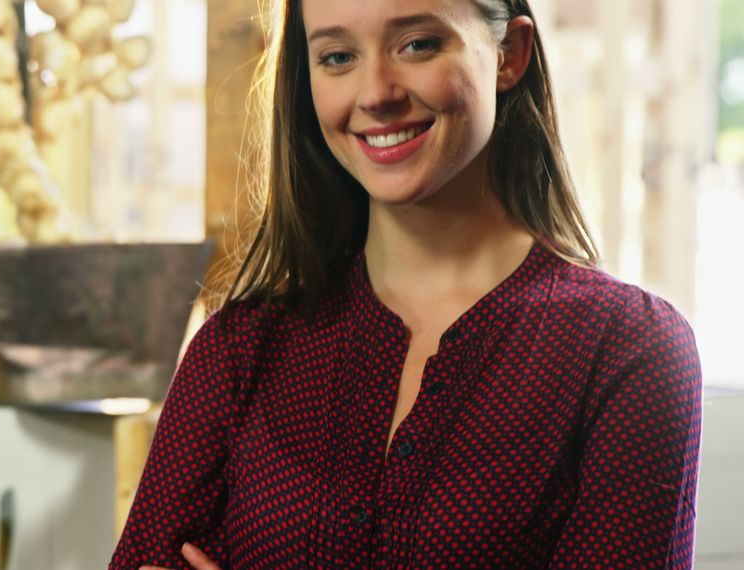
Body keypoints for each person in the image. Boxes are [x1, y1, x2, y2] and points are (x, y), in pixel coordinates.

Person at [110, 0, 703, 568]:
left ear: (509, 53)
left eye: (418, 43)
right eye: (337, 57)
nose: (376, 94)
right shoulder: (237, 350)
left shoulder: (630, 351)